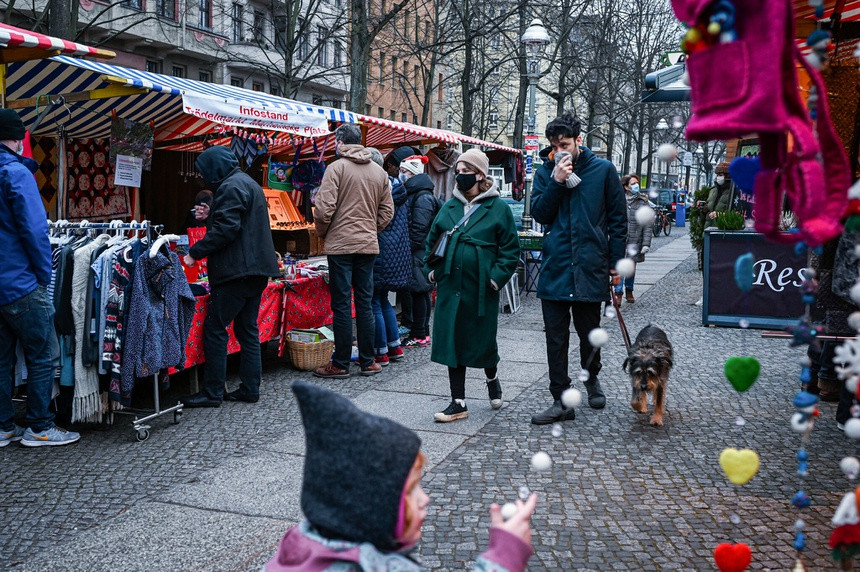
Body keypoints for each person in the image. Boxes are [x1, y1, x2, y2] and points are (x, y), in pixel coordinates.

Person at [265, 380, 537, 571]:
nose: (425, 499)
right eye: (411, 490)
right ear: (368, 506)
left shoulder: (301, 549)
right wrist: (505, 556)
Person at [529, 112, 627, 425]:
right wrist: (557, 181)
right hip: (556, 266)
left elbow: (617, 220)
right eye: (555, 145)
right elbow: (541, 214)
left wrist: (614, 264)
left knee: (589, 334)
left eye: (566, 144)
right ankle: (561, 400)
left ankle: (591, 377)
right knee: (555, 339)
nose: (560, 150)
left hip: (589, 266)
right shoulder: (545, 172)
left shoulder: (603, 170)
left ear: (579, 141)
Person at [0, 108, 80, 447]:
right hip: (20, 281)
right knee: (43, 352)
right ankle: (39, 426)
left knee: (2, 359)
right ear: (19, 139)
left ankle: (3, 427)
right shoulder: (15, 173)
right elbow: (34, 230)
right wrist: (44, 273)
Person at [424, 149, 520, 423]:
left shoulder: (497, 208)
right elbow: (431, 242)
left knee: (482, 340)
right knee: (453, 341)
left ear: (480, 174)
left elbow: (510, 250)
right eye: (458, 172)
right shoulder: (449, 206)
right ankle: (458, 401)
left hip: (481, 288)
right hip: (450, 285)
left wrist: (495, 278)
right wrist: (432, 273)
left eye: (465, 172)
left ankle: (492, 376)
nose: (460, 177)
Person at [180, 146, 280, 408]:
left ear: (214, 168)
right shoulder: (246, 182)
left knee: (215, 328)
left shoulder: (230, 187)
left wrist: (195, 252)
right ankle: (250, 388)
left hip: (237, 271)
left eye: (204, 172)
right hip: (255, 270)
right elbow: (236, 224)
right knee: (247, 330)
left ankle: (213, 392)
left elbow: (228, 230)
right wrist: (209, 217)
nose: (203, 178)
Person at [312, 124, 394, 378]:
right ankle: (368, 361)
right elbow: (387, 212)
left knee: (342, 304)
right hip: (367, 246)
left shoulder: (335, 169)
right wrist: (371, 228)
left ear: (339, 142)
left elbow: (324, 210)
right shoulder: (378, 172)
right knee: (365, 303)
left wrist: (324, 231)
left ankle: (341, 363)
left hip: (341, 246)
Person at [367, 148, 410, 366]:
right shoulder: (398, 187)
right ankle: (394, 347)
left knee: (374, 301)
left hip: (379, 251)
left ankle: (380, 352)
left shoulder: (379, 190)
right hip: (395, 254)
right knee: (383, 301)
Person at [402, 154, 440, 349]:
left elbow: (419, 227)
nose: (402, 175)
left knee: (419, 291)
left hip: (419, 250)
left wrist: (409, 246)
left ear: (413, 173)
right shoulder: (422, 193)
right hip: (420, 249)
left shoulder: (422, 196)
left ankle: (420, 334)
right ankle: (421, 332)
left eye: (405, 172)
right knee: (421, 291)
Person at [383, 146, 420, 338]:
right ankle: (396, 341)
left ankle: (414, 328)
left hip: (404, 247)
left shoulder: (417, 194)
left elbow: (417, 226)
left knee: (379, 300)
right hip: (403, 247)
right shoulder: (410, 191)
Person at [617, 174, 652, 304]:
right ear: (626, 187)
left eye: (637, 182)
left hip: (635, 240)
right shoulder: (619, 200)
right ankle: (618, 292)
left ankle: (629, 290)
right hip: (620, 239)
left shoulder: (643, 201)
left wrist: (646, 243)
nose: (636, 185)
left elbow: (648, 223)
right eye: (633, 183)